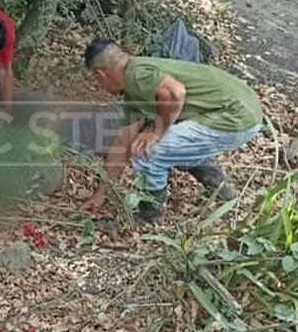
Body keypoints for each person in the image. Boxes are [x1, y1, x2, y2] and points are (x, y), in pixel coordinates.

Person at [81, 37, 263, 223]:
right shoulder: (134, 87)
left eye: (96, 80)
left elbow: (176, 92)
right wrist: (100, 196)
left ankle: (149, 216)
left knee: (148, 151)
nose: (100, 87)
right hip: (244, 111)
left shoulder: (137, 75)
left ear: (101, 74)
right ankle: (223, 192)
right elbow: (121, 144)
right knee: (174, 146)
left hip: (235, 116)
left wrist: (157, 131)